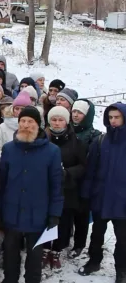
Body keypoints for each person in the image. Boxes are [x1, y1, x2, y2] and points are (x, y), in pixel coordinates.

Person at [0, 106, 63, 283]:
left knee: (34, 258)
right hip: (12, 212)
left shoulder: (52, 151)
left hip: (38, 215)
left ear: (38, 125)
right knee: (10, 254)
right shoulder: (9, 149)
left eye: (30, 122)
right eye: (22, 121)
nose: (25, 125)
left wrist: (55, 213)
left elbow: (56, 185)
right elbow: (2, 182)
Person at [79, 103, 126, 281]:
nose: (113, 121)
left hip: (122, 200)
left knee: (123, 239)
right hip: (101, 196)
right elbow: (90, 170)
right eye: (110, 117)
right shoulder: (100, 141)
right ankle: (94, 261)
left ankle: (122, 269)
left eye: (117, 117)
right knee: (97, 233)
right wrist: (86, 194)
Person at [42, 106, 86, 269]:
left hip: (67, 189)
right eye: (54, 119)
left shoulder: (76, 142)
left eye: (61, 120)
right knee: (47, 219)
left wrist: (67, 173)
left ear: (66, 122)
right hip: (46, 189)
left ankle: (57, 251)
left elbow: (83, 166)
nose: (57, 123)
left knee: (64, 222)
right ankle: (45, 248)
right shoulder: (43, 139)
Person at [0, 91, 30, 161]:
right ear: (12, 109)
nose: (19, 112)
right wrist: (8, 162)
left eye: (22, 109)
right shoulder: (3, 127)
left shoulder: (33, 126)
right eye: (17, 109)